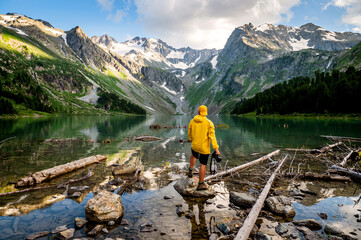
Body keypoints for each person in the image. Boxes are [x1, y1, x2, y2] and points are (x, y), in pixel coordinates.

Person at [188, 105, 220, 190]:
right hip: (204, 148)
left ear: (198, 112)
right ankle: (200, 184)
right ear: (205, 112)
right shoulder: (209, 123)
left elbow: (189, 133)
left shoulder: (192, 121)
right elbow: (212, 137)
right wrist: (216, 149)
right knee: (203, 165)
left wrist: (192, 140)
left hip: (194, 145)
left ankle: (190, 171)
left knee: (193, 155)